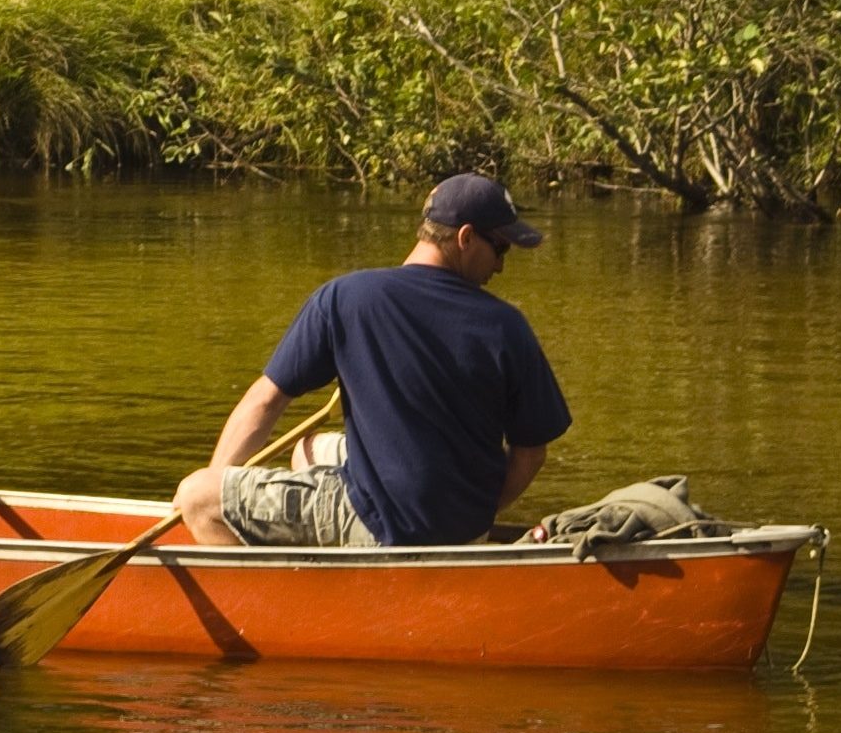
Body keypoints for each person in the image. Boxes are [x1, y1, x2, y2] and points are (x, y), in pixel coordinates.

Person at [176, 173, 573, 548]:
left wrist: (216, 480)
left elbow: (265, 402)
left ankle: (292, 590)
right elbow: (530, 454)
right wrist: (474, 516)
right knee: (308, 450)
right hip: (467, 526)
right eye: (500, 248)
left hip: (383, 522)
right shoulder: (508, 325)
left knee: (198, 497)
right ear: (465, 238)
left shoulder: (345, 298)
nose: (500, 265)